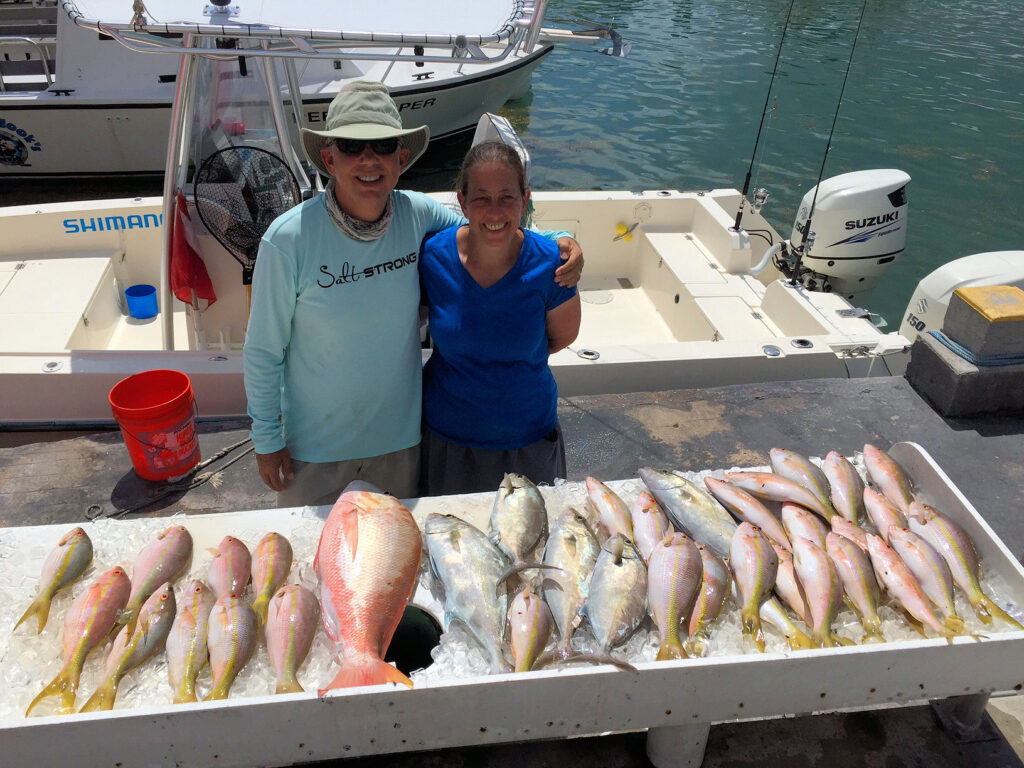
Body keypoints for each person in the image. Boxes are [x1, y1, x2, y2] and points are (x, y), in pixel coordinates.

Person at [243, 81, 582, 506]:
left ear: (401, 158)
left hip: (400, 446)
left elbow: (492, 226)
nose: (369, 159)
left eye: (383, 145)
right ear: (329, 159)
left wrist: (559, 240)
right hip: (313, 450)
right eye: (351, 146)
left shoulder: (416, 214)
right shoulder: (286, 239)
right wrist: (266, 439)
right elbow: (262, 350)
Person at [419, 141, 582, 496]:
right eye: (481, 197)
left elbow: (562, 338)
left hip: (528, 439)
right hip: (448, 440)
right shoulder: (433, 257)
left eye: (507, 197)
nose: (495, 211)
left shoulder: (552, 264)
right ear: (462, 201)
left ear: (525, 199)